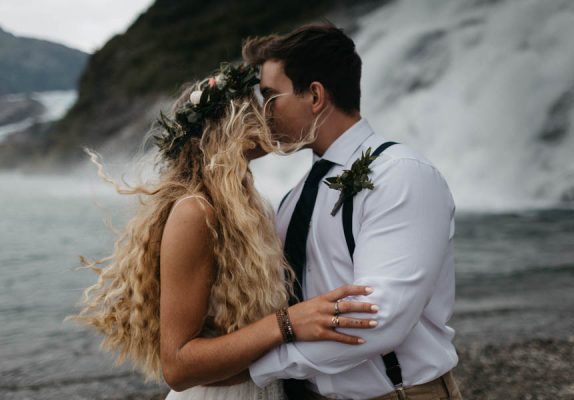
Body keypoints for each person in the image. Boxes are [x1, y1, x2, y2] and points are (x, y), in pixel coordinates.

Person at [67, 62, 380, 400]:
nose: (271, 113)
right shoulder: (195, 212)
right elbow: (177, 367)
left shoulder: (252, 206)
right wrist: (287, 323)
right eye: (261, 104)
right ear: (232, 121)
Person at [242, 23, 463, 399]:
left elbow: (376, 320)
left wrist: (255, 366)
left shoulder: (401, 175)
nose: (263, 113)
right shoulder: (293, 198)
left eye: (269, 96)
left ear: (314, 95)